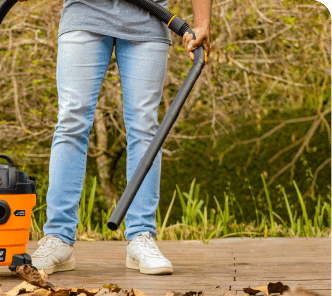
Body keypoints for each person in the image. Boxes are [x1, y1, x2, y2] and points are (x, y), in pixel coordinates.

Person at [18, 0, 212, 275]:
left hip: (148, 18)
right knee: (71, 120)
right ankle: (58, 238)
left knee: (145, 127)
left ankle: (141, 236)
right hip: (84, 12)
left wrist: (202, 22)